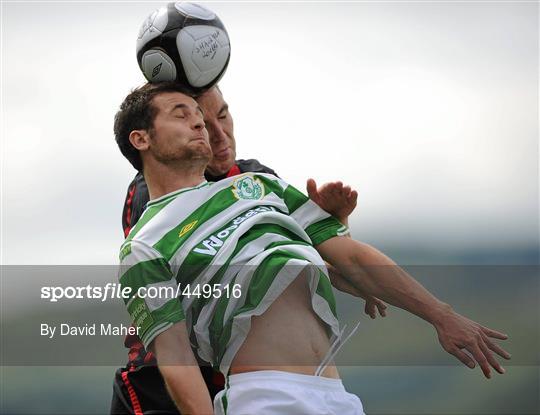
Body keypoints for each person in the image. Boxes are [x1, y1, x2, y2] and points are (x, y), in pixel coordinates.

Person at [113, 82, 510, 415]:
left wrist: (441, 315)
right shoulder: (144, 244)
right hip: (264, 397)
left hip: (337, 396)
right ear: (141, 138)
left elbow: (349, 257)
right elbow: (176, 357)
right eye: (181, 114)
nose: (200, 121)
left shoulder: (258, 186)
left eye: (202, 114)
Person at [111, 86, 387, 415]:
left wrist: (346, 247)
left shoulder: (255, 180)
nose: (213, 130)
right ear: (145, 139)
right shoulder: (152, 198)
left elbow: (293, 262)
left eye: (222, 116)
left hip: (291, 384)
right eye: (188, 116)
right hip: (163, 381)